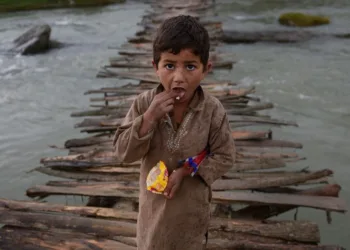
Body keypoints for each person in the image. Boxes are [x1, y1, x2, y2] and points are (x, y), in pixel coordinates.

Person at [113, 15, 236, 250]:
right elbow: (122, 153)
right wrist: (149, 118)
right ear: (155, 67)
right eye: (169, 65)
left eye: (190, 66)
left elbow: (226, 155)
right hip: (153, 214)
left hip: (191, 214)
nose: (179, 78)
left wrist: (187, 171)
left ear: (205, 69)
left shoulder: (212, 110)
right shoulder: (143, 104)